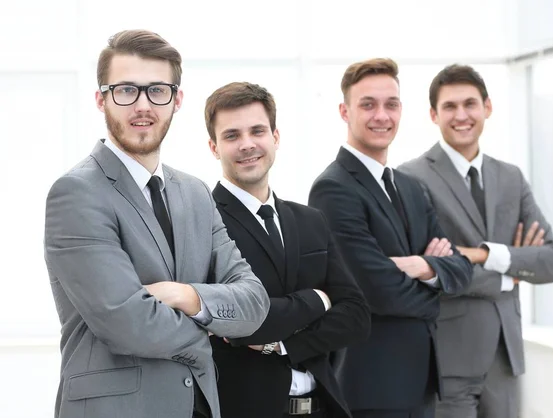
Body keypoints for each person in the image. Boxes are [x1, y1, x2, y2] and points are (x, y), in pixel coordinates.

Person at [44, 29, 270, 418]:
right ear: (102, 99)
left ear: (176, 99)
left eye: (157, 91)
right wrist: (210, 329)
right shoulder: (77, 193)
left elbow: (254, 302)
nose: (142, 105)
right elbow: (127, 323)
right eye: (126, 90)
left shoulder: (196, 193)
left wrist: (189, 297)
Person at [397, 64, 553, 418]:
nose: (461, 115)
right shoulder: (411, 177)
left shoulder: (510, 177)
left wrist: (483, 254)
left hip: (505, 357)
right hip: (447, 356)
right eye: (450, 106)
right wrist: (511, 270)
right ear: (433, 114)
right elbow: (428, 271)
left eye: (470, 104)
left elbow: (552, 261)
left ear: (487, 107)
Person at [308, 58, 473, 418]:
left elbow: (460, 268)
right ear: (344, 111)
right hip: (371, 386)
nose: (381, 115)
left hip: (421, 383)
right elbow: (374, 290)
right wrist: (436, 291)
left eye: (391, 104)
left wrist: (423, 266)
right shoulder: (333, 188)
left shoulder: (410, 187)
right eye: (368, 104)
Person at [204, 81, 371, 418]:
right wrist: (317, 300)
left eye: (257, 131)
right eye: (232, 135)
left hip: (322, 406)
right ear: (213, 146)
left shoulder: (310, 220)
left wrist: (284, 344)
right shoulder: (203, 222)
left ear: (275, 138)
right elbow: (235, 324)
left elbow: (356, 315)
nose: (248, 144)